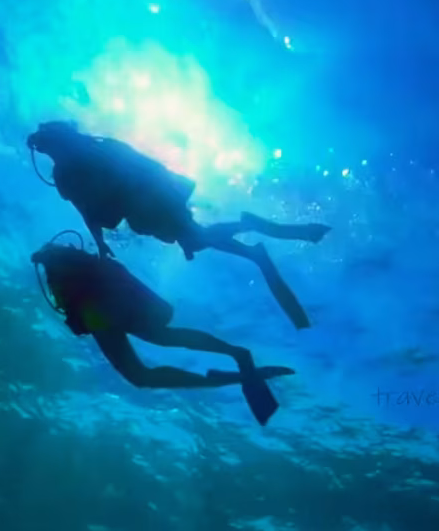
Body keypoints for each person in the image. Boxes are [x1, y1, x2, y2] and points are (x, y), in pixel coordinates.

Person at [27, 121, 331, 330]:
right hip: (150, 203)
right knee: (195, 237)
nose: (45, 151)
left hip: (149, 205)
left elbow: (93, 205)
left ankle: (251, 238)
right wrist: (102, 241)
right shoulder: (84, 157)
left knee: (196, 237)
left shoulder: (77, 163)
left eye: (45, 146)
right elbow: (90, 208)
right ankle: (252, 243)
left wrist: (105, 235)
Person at [31, 239, 295, 426]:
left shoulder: (63, 269)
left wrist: (46, 258)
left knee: (142, 373)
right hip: (115, 306)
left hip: (101, 313)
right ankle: (235, 356)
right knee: (166, 340)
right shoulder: (75, 266)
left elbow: (72, 310)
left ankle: (224, 375)